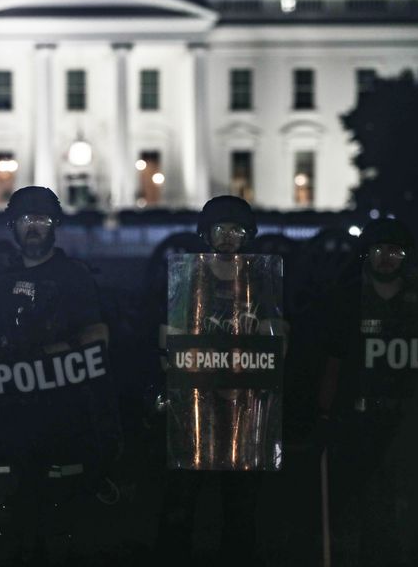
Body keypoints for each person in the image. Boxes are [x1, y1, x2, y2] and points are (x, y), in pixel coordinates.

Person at [0, 186, 121, 564]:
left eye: (41, 220)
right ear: (12, 228)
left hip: (65, 418)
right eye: (25, 221)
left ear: (55, 226)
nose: (33, 227)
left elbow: (99, 334)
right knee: (14, 523)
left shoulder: (75, 276)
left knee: (61, 526)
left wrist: (59, 350)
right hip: (11, 425)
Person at [155, 195, 284, 565]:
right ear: (206, 234)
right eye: (221, 229)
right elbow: (169, 335)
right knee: (182, 495)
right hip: (195, 403)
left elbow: (275, 335)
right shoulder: (188, 277)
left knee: (241, 501)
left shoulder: (259, 280)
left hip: (243, 404)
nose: (228, 237)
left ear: (248, 236)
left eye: (236, 230)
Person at [317, 217, 418, 566]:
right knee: (354, 498)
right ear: (367, 254)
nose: (387, 259)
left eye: (395, 252)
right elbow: (333, 360)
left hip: (401, 416)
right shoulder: (348, 298)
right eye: (380, 250)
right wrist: (326, 411)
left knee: (399, 499)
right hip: (356, 417)